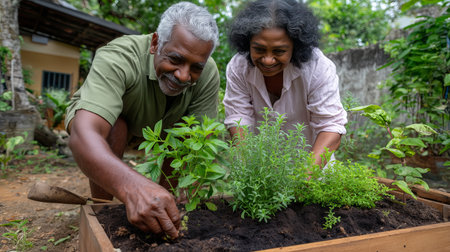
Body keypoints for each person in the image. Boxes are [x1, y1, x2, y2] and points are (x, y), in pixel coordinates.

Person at [65, 2, 220, 239]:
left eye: (195, 67)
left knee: (187, 133)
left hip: (163, 130)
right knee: (115, 126)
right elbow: (85, 135)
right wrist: (133, 187)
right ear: (156, 43)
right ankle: (101, 212)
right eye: (176, 59)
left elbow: (196, 141)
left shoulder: (208, 73)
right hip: (114, 127)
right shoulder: (119, 56)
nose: (183, 75)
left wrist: (175, 195)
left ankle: (163, 211)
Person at [223, 0, 347, 166]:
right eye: (259, 49)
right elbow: (239, 119)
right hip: (261, 175)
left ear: (295, 47)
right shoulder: (239, 67)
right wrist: (249, 171)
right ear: (247, 43)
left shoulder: (318, 68)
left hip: (314, 172)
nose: (267, 60)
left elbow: (330, 126)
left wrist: (305, 177)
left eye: (279, 51)